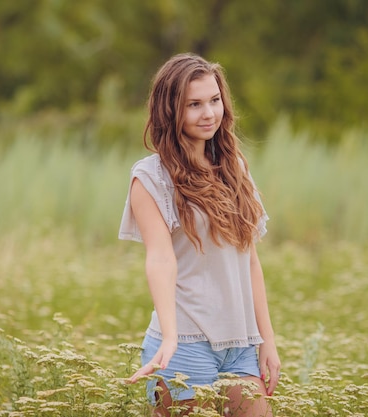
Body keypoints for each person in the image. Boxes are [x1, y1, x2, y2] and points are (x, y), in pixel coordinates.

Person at [119, 52, 280, 417]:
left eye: (214, 100)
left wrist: (267, 340)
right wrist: (171, 337)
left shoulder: (234, 167)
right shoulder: (150, 177)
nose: (209, 113)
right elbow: (160, 259)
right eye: (194, 104)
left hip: (239, 344)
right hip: (186, 343)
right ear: (170, 110)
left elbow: (250, 260)